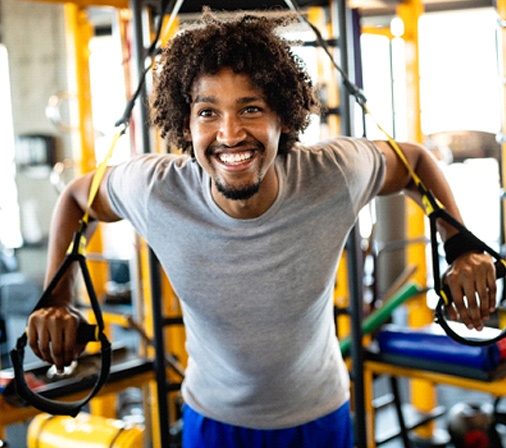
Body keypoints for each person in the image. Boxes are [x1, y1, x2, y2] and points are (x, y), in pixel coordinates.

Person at [27, 10, 496, 448]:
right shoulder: (156, 189)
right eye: (208, 112)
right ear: (186, 125)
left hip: (320, 415)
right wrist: (58, 297)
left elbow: (413, 160)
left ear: (282, 119)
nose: (230, 133)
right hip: (212, 421)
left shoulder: (331, 174)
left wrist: (460, 246)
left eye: (251, 108)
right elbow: (75, 199)